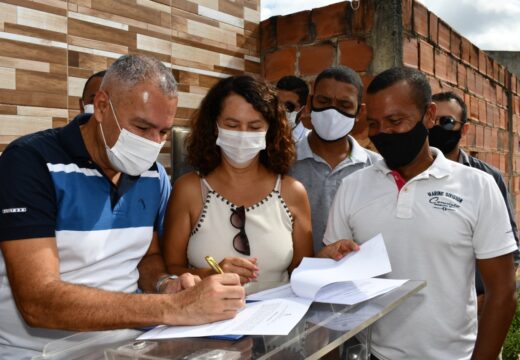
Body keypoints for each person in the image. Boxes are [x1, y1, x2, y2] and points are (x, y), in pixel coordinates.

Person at [0, 54, 244, 359]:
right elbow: (38, 302)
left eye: (163, 132)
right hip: (38, 352)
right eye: (142, 128)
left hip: (129, 345)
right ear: (102, 107)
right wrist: (174, 308)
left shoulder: (153, 175)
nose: (153, 143)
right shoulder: (30, 162)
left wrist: (164, 284)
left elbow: (148, 255)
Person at [324, 66, 517, 359]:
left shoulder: (478, 186)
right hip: (376, 354)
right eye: (374, 124)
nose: (383, 133)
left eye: (395, 120)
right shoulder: (352, 187)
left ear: (429, 115)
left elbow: (502, 292)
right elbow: (333, 279)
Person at [162, 75, 357, 287]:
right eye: (232, 124)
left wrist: (324, 258)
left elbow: (300, 271)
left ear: (270, 130)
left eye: (254, 127)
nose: (243, 134)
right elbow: (171, 269)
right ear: (214, 125)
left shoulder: (292, 192)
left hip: (281, 317)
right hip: (208, 318)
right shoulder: (188, 190)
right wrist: (210, 274)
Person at [429, 91, 520, 315]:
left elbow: (510, 249)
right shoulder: (408, 176)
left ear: (465, 129)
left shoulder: (487, 178)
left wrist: (487, 300)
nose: (438, 127)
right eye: (432, 121)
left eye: (447, 122)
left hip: (478, 310)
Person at [290, 66, 380, 254]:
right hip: (295, 280)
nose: (332, 112)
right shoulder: (284, 162)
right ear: (310, 102)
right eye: (324, 101)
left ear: (359, 112)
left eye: (344, 105)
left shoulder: (377, 168)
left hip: (359, 280)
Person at [276, 75, 310, 143]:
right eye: (277, 103)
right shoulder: (265, 137)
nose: (280, 110)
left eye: (288, 106)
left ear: (302, 109)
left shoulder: (310, 142)